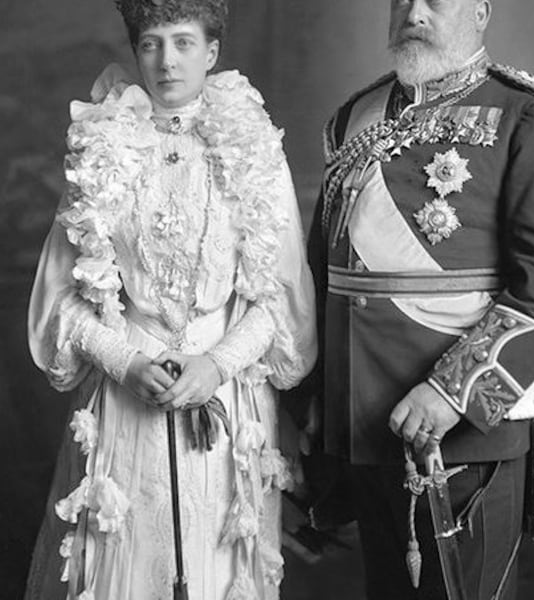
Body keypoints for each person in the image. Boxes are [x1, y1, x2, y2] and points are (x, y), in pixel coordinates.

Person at [24, 1, 317, 598]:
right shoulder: (104, 147)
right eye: (151, 43)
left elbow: (280, 299)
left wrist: (218, 364)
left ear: (211, 53)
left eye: (183, 43)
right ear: (136, 52)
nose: (166, 60)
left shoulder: (252, 146)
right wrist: (127, 363)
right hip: (131, 396)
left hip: (227, 401)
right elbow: (61, 305)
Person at [307, 0, 534, 598]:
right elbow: (321, 271)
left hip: (461, 427)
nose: (414, 12)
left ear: (481, 11)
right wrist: (313, 402)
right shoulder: (355, 115)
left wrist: (452, 391)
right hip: (361, 420)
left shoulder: (526, 118)